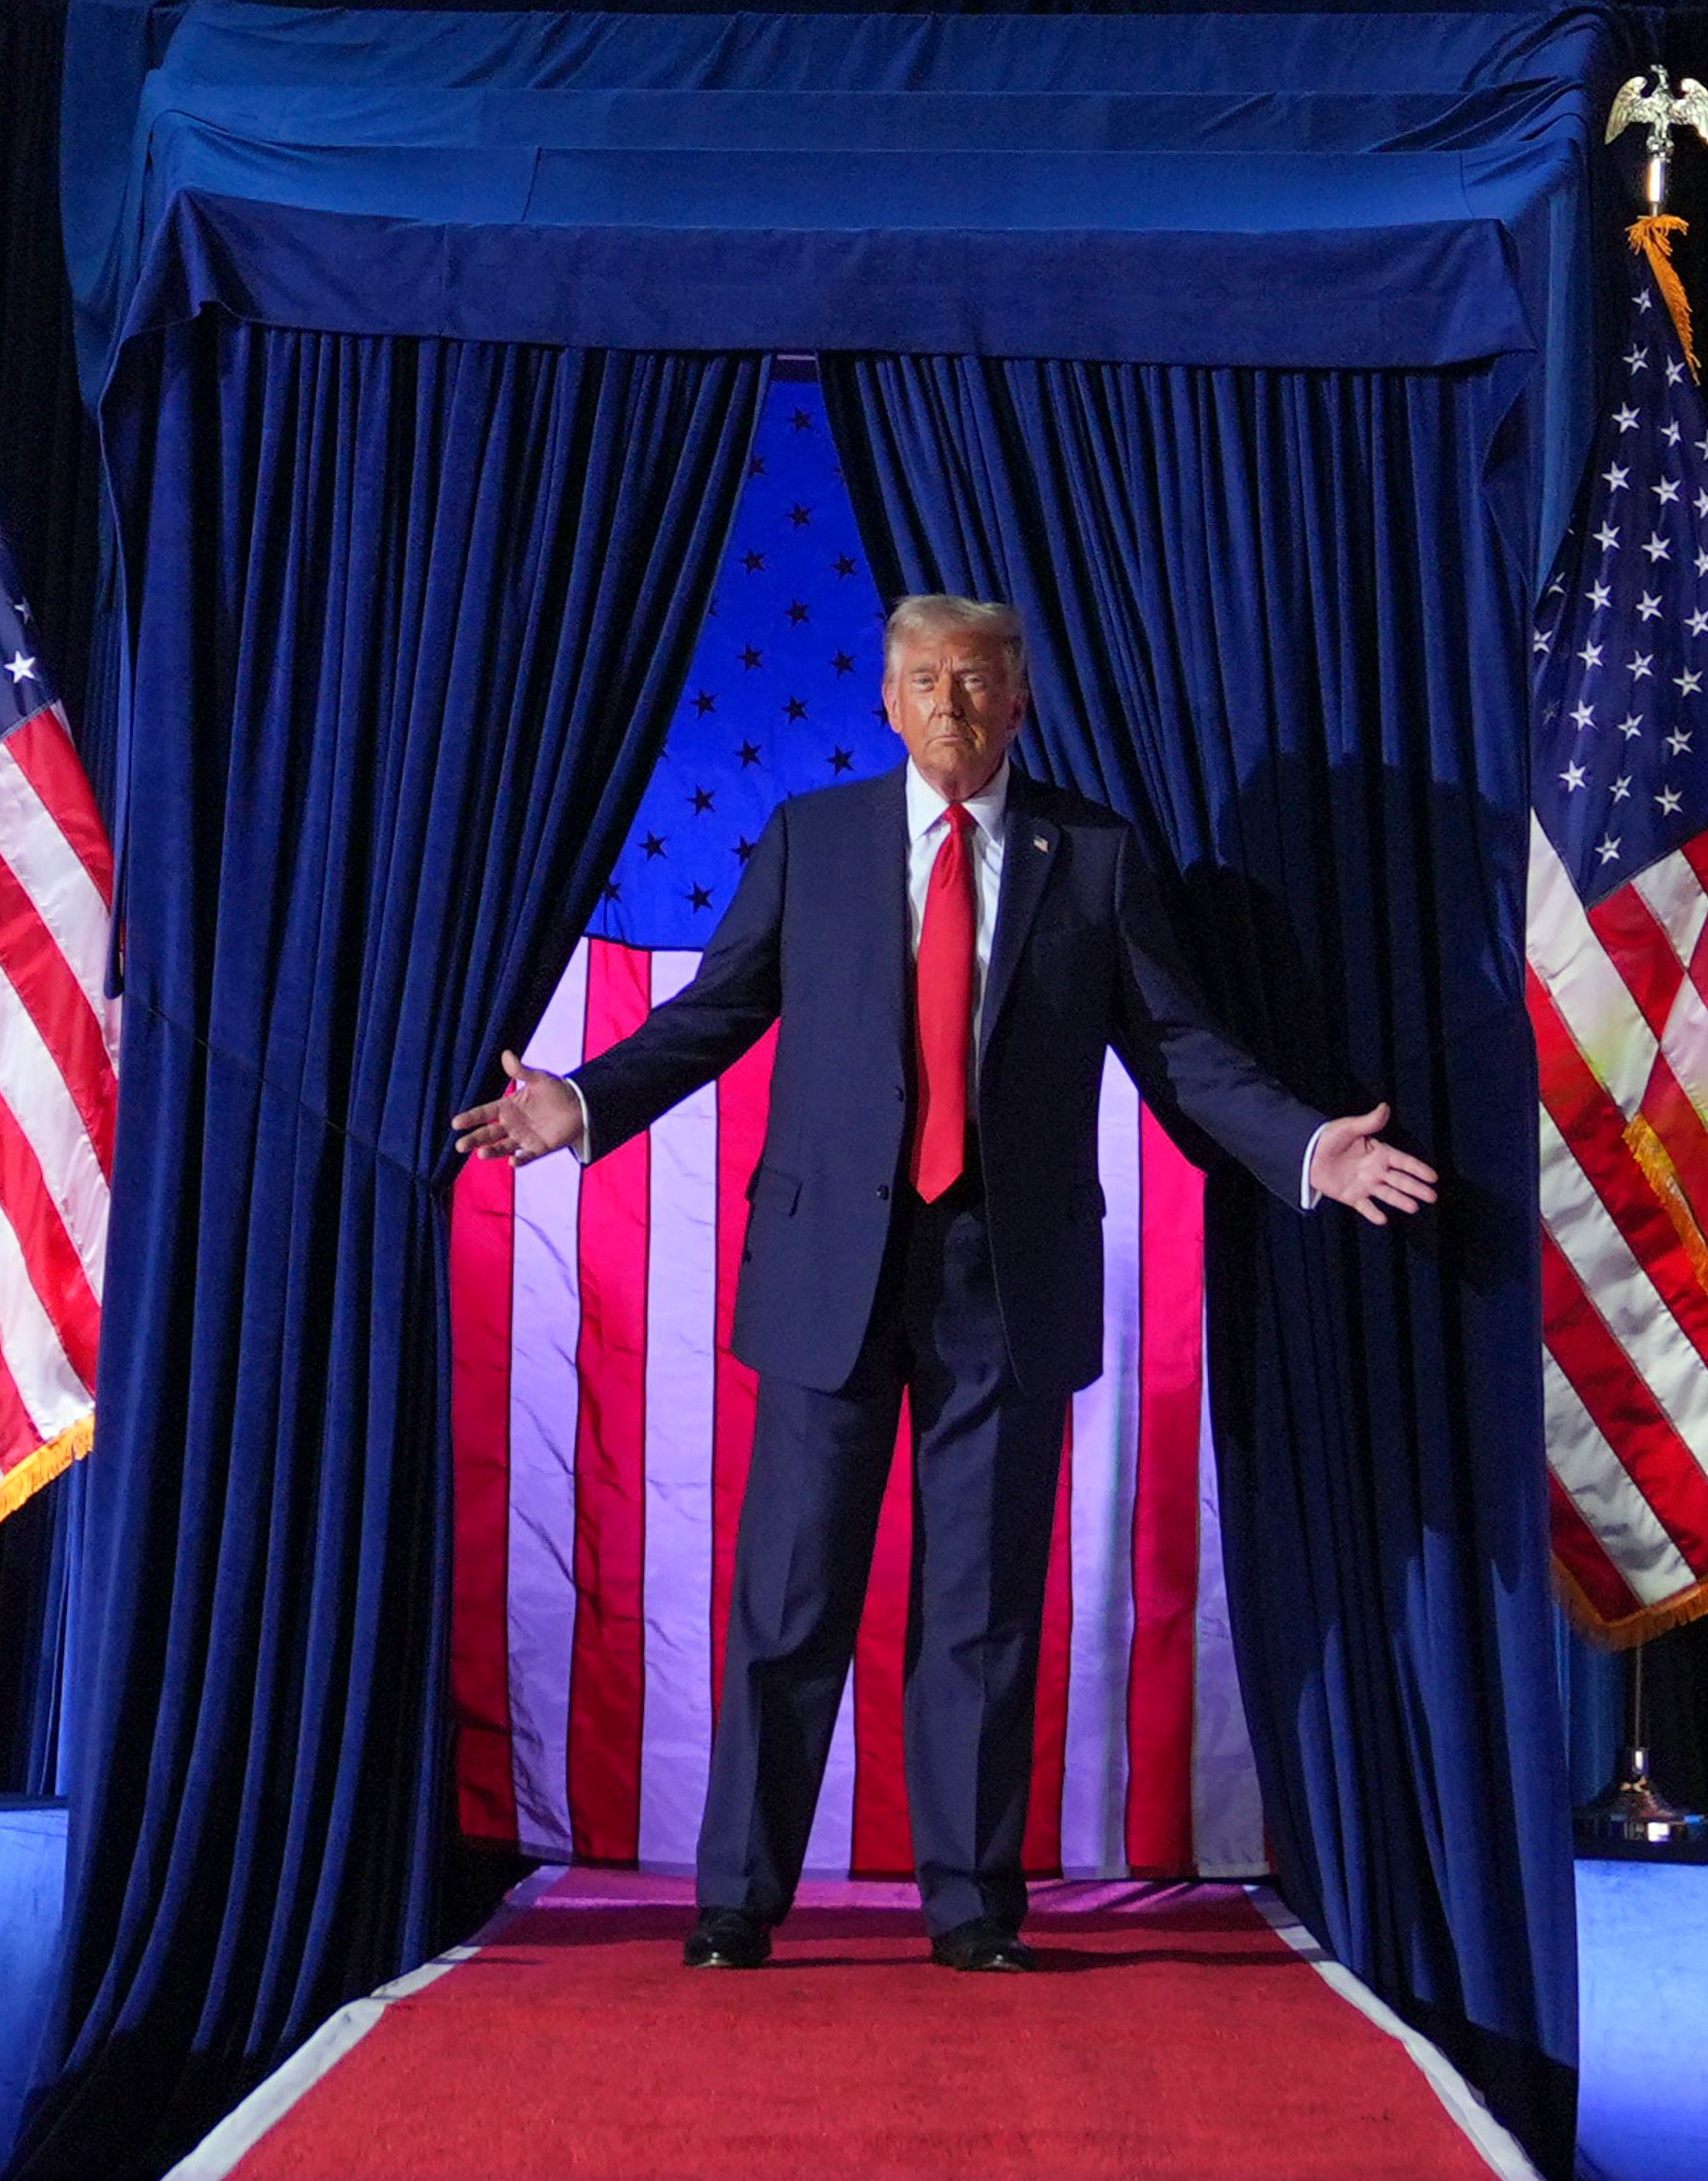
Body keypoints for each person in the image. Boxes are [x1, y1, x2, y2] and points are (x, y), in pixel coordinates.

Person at [452, 592, 1435, 1974]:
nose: (950, 709)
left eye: (975, 685)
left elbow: (1181, 1046)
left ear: (1020, 701)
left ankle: (972, 1905)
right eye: (924, 683)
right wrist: (588, 1101)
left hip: (1004, 1276)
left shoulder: (1088, 855)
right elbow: (716, 1009)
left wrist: (1308, 1142)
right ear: (886, 700)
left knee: (980, 1609)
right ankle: (738, 1896)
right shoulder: (816, 839)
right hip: (828, 1273)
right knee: (790, 1599)